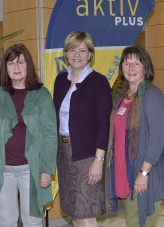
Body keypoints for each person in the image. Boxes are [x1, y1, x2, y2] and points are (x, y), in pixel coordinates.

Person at [0, 43, 57, 227]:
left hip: (31, 168)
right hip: (1, 167)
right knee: (6, 219)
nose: (16, 67)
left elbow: (50, 134)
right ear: (5, 68)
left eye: (21, 62)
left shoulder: (41, 94)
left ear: (28, 66)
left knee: (32, 219)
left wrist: (46, 170)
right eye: (11, 63)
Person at [53, 31, 112, 227]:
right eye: (72, 50)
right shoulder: (60, 81)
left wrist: (98, 160)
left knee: (85, 213)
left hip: (87, 156)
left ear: (90, 54)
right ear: (66, 54)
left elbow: (104, 124)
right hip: (64, 154)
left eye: (82, 50)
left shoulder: (99, 82)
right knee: (74, 213)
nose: (77, 54)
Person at [107, 45, 164, 227]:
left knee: (138, 223)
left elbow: (157, 138)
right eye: (127, 63)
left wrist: (143, 173)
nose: (131, 68)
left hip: (143, 173)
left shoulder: (152, 95)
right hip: (125, 171)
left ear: (146, 68)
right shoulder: (123, 96)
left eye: (136, 63)